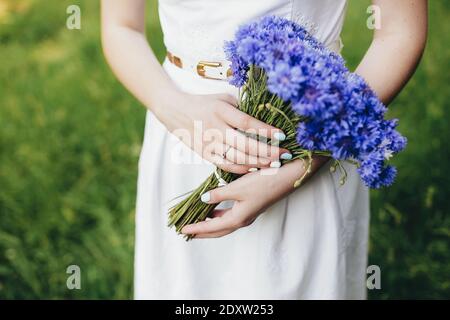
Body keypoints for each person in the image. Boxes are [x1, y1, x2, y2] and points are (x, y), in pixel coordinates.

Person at [101, 0, 428, 299]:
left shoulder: (306, 150)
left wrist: (308, 158)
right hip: (180, 127)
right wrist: (171, 107)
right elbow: (121, 27)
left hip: (305, 124)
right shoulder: (175, 114)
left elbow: (400, 30)